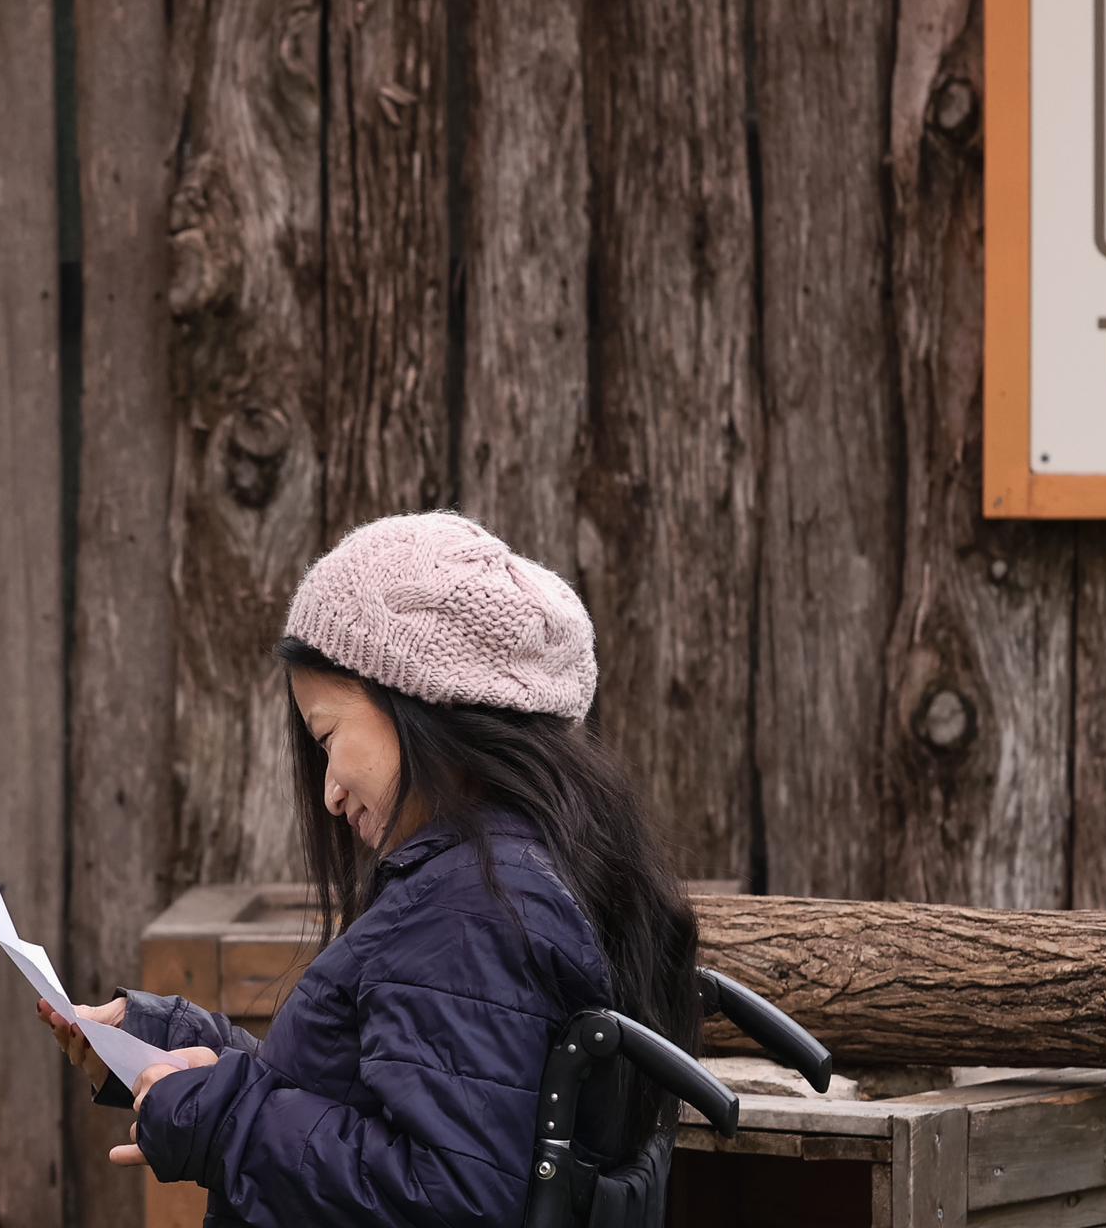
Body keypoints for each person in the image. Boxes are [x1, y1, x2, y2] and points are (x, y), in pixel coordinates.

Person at [39, 511, 699, 1227]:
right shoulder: (521, 875)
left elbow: (451, 1198)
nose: (328, 793)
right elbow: (384, 1109)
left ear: (421, 702)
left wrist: (224, 1121)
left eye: (327, 736)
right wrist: (173, 1045)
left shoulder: (471, 909)